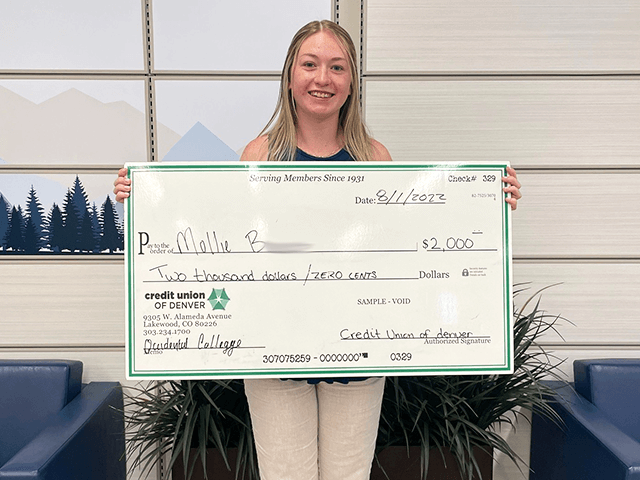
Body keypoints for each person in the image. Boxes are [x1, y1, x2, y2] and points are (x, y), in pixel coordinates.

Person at [114, 20, 522, 480]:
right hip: (275, 356)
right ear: (290, 76)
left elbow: (410, 244)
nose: (322, 79)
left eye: (337, 67)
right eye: (309, 64)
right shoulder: (260, 155)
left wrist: (486, 201)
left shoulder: (375, 157)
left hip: (359, 354)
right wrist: (146, 200)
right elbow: (224, 242)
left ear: (351, 85)